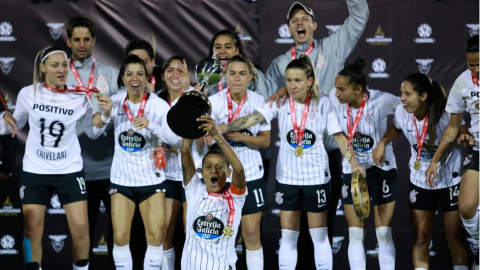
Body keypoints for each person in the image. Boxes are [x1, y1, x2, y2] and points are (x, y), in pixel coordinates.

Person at [218, 55, 353, 270]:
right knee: (288, 237)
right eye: (288, 80)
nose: (292, 86)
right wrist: (225, 127)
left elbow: (339, 137)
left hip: (316, 178)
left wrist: (355, 165)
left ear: (309, 81)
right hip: (287, 178)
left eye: (298, 80)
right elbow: (253, 118)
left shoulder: (324, 102)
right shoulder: (279, 102)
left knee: (319, 237)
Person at [265, 0, 369, 244]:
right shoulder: (280, 64)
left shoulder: (332, 47)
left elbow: (359, 16)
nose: (299, 22)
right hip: (295, 156)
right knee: (294, 230)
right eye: (294, 20)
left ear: (314, 24)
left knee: (324, 225)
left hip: (329, 150)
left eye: (304, 18)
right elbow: (263, 95)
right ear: (289, 29)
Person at [0, 46, 112, 270]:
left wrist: (106, 115)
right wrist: (4, 115)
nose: (61, 70)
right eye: (55, 65)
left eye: (64, 65)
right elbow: (16, 123)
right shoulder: (27, 93)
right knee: (31, 227)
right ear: (43, 68)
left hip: (69, 169)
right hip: (35, 169)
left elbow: (92, 130)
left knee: (81, 227)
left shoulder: (79, 95)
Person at [376, 73, 469, 270]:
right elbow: (396, 128)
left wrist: (465, 136)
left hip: (450, 180)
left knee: (455, 238)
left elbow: (461, 129)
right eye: (402, 93)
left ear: (424, 96)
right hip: (420, 181)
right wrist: (383, 142)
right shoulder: (402, 112)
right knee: (420, 237)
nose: (401, 99)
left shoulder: (445, 113)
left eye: (407, 94)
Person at [107, 54, 181, 270]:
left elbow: (175, 141)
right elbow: (94, 132)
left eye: (140, 73)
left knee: (156, 237)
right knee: (120, 237)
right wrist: (102, 115)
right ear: (122, 78)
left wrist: (151, 126)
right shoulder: (115, 102)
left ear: (148, 77)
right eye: (129, 74)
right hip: (121, 180)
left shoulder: (158, 105)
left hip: (151, 178)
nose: (134, 78)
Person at [330, 58, 400, 270]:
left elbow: (404, 121)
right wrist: (353, 163)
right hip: (352, 173)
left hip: (383, 169)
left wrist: (383, 142)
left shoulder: (384, 100)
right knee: (355, 232)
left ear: (358, 89)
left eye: (342, 89)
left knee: (383, 232)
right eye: (335, 88)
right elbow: (340, 137)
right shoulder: (333, 103)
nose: (336, 93)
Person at [65, 16, 119, 268]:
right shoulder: (59, 74)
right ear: (68, 41)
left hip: (112, 170)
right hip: (76, 169)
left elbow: (124, 116)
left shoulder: (110, 73)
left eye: (87, 39)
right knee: (81, 232)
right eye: (77, 39)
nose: (82, 44)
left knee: (118, 233)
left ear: (94, 40)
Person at [209, 55, 270, 270]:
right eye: (232, 73)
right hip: (222, 176)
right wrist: (208, 136)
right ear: (225, 76)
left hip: (251, 174)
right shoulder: (214, 102)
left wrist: (240, 136)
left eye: (242, 73)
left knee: (251, 233)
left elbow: (265, 140)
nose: (237, 78)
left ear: (250, 77)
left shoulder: (258, 101)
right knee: (224, 233)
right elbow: (204, 137)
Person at [426, 35, 479, 268]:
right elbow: (453, 126)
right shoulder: (463, 82)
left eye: (479, 63)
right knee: (466, 207)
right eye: (471, 64)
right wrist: (435, 160)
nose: (475, 68)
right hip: (478, 151)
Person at [180, 114, 247, 270]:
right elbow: (185, 151)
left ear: (228, 172)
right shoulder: (194, 190)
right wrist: (191, 113)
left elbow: (239, 168)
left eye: (220, 167)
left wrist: (216, 134)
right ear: (201, 172)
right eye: (208, 167)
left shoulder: (236, 197)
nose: (214, 171)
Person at [157, 55, 192, 270]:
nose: (175, 75)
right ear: (162, 76)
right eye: (170, 70)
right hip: (167, 176)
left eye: (181, 70)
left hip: (193, 176)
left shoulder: (196, 99)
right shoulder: (154, 101)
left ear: (188, 75)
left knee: (192, 232)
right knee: (164, 232)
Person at [206, 29, 268, 99]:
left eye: (228, 47)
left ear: (236, 51)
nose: (222, 51)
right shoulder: (206, 77)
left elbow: (262, 104)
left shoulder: (252, 73)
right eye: (217, 47)